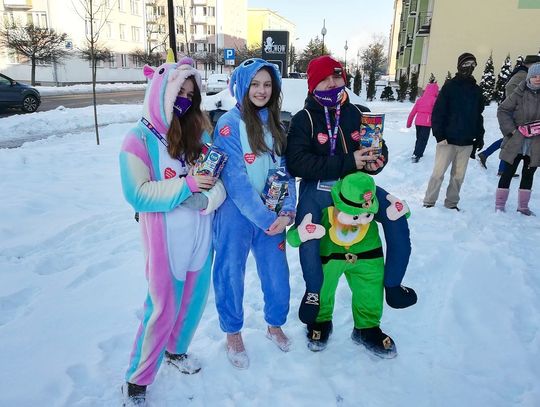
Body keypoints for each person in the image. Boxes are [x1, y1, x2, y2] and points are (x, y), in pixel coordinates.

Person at [286, 55, 416, 351]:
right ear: (313, 84)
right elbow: (297, 163)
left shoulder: (358, 113)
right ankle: (318, 313)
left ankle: (371, 320)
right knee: (326, 268)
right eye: (325, 79)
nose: (333, 84)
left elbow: (375, 149)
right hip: (324, 202)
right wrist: (348, 161)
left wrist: (377, 160)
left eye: (337, 77)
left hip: (360, 201)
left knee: (371, 267)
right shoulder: (303, 119)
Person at [119, 56, 226, 406]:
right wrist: (186, 186)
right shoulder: (138, 139)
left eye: (191, 93)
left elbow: (218, 180)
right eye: (178, 90)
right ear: (160, 91)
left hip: (200, 235)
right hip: (166, 241)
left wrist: (207, 198)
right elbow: (138, 194)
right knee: (161, 308)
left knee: (194, 302)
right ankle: (137, 380)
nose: (184, 98)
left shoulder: (199, 130)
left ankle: (176, 350)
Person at [212, 58, 297, 369]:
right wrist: (267, 220)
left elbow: (285, 171)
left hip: (273, 216)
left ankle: (274, 324)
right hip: (236, 214)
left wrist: (287, 212)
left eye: (267, 84)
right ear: (242, 86)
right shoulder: (228, 124)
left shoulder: (275, 123)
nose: (261, 90)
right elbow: (234, 180)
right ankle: (233, 332)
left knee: (277, 274)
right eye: (255, 84)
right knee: (230, 273)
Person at [287, 172, 408, 358]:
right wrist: (300, 234)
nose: (360, 219)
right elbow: (296, 236)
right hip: (330, 247)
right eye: (354, 215)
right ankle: (320, 321)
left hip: (367, 248)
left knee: (370, 286)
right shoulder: (320, 198)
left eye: (366, 214)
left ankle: (367, 327)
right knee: (324, 284)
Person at [423, 52, 485, 211]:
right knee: (438, 174)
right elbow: (438, 112)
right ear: (459, 66)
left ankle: (451, 203)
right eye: (465, 64)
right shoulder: (450, 87)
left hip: (466, 141)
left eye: (472, 64)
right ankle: (429, 202)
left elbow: (478, 115)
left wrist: (479, 136)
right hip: (447, 140)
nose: (469, 67)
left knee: (458, 177)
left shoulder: (476, 90)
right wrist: (439, 135)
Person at [478, 54, 540, 174]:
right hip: (514, 110)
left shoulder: (527, 73)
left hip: (519, 110)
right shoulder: (522, 74)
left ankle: (491, 159)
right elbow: (509, 86)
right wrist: (518, 100)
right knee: (511, 138)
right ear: (530, 64)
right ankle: (496, 163)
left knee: (511, 138)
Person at [495, 62, 540, 215]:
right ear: (529, 77)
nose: (538, 79)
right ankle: (500, 205)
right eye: (534, 76)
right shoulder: (519, 92)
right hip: (516, 141)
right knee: (508, 172)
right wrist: (512, 131)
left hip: (535, 144)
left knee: (528, 175)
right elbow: (503, 110)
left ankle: (523, 206)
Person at [406, 81, 439, 162]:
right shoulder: (435, 100)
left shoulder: (420, 100)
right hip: (427, 123)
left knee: (419, 138)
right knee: (423, 139)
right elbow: (438, 112)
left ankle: (418, 152)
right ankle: (417, 154)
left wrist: (409, 123)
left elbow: (413, 112)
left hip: (418, 122)